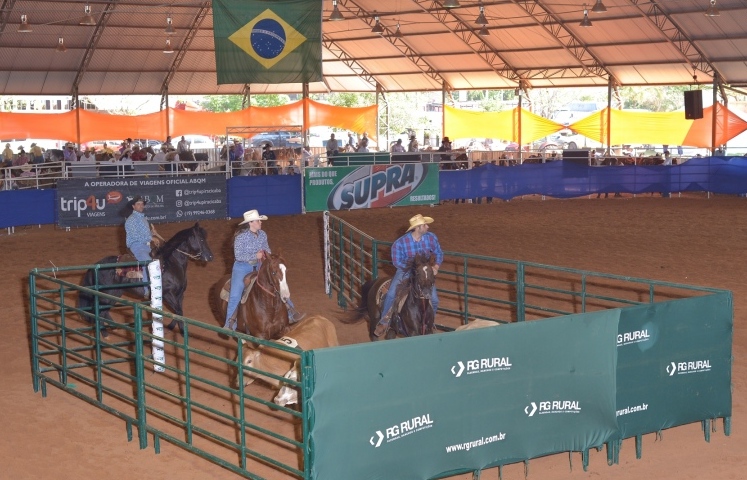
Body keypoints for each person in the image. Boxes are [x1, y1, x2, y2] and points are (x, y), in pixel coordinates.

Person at [223, 209, 304, 330]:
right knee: (236, 293)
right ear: (250, 223)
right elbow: (239, 256)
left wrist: (268, 256)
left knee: (276, 282)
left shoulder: (262, 234)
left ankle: (291, 311)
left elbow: (267, 249)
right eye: (258, 220)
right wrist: (255, 256)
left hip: (260, 265)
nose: (260, 222)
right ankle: (230, 322)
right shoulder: (240, 238)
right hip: (242, 266)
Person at [373, 214, 443, 337]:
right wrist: (412, 269)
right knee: (391, 294)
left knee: (435, 299)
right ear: (417, 228)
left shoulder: (431, 238)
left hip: (423, 271)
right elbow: (397, 262)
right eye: (424, 225)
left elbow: (439, 252)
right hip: (405, 270)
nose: (427, 226)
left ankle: (430, 323)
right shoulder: (400, 243)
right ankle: (384, 322)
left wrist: (436, 266)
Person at [124, 196, 158, 296]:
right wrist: (151, 238)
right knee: (148, 262)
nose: (141, 205)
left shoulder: (143, 218)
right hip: (137, 246)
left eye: (142, 204)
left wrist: (152, 233)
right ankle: (147, 289)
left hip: (146, 246)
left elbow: (144, 235)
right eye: (138, 204)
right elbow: (136, 236)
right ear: (133, 206)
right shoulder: (131, 220)